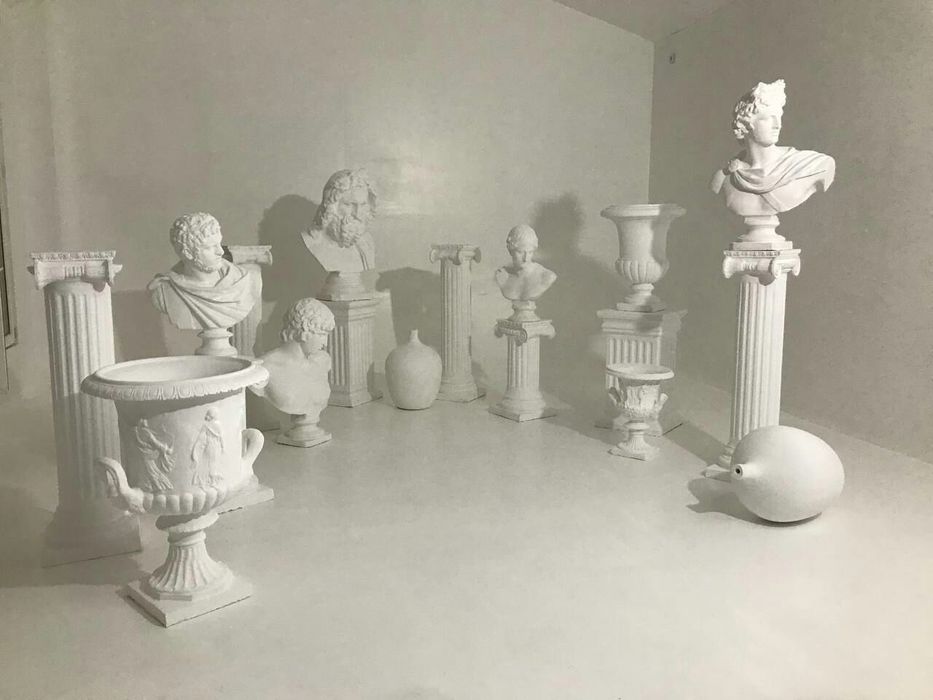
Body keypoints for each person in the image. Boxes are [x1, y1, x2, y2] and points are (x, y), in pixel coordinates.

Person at [711, 79, 835, 217]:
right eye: (767, 118)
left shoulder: (813, 166)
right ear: (744, 124)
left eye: (779, 117)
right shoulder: (725, 178)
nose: (777, 125)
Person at [148, 212, 258, 330]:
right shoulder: (164, 292)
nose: (220, 252)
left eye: (219, 244)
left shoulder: (242, 281)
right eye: (210, 247)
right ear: (187, 253)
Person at [301, 169, 378, 273]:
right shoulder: (312, 243)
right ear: (331, 206)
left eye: (363, 205)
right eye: (349, 205)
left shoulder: (367, 242)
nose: (358, 214)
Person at [494, 225, 557, 303]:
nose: (526, 259)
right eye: (520, 252)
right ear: (510, 251)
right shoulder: (503, 276)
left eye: (530, 252)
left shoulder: (546, 277)